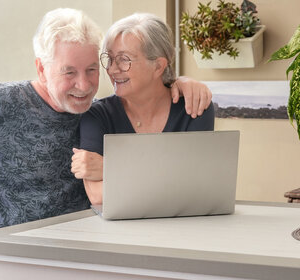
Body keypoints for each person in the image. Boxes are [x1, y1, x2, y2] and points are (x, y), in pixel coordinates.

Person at [0, 8, 212, 280]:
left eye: (90, 70)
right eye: (69, 72)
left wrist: (178, 81)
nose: (83, 85)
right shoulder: (0, 102)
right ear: (42, 68)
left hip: (58, 257)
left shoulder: (93, 113)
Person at [71, 13, 215, 205]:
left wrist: (111, 167)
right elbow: (98, 195)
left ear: (158, 66)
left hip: (184, 229)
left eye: (124, 59)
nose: (112, 70)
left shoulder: (194, 108)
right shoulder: (97, 116)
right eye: (109, 59)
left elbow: (196, 187)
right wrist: (171, 178)